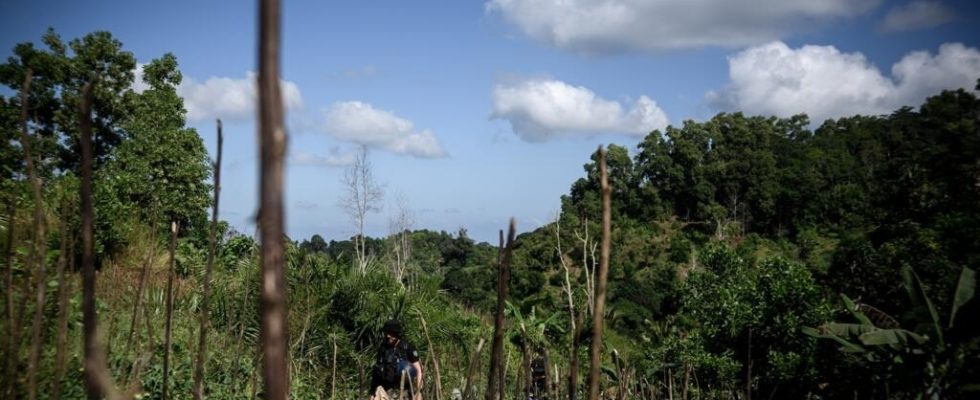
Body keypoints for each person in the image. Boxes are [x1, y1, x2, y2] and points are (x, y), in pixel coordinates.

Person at [370, 319, 423, 400]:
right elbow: (377, 372)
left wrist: (418, 391)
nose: (388, 336)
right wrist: (373, 392)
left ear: (397, 334)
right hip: (387, 390)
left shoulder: (407, 347)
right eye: (386, 333)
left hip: (405, 392)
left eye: (391, 333)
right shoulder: (383, 348)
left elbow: (419, 370)